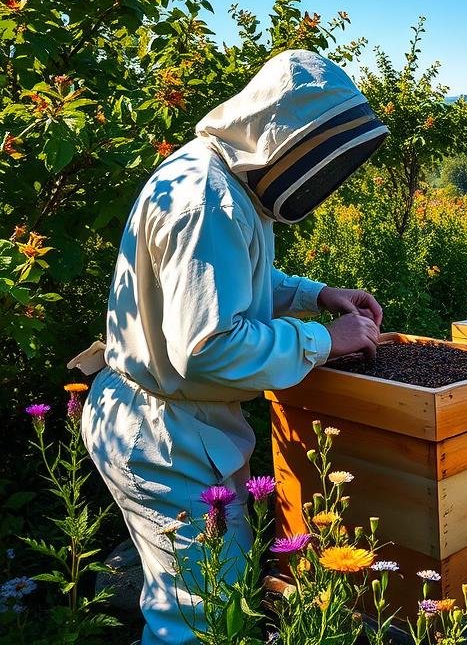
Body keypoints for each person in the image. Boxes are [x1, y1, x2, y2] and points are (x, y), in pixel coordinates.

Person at [81, 50, 388, 644]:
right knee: (197, 619)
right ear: (284, 137)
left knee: (213, 597)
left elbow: (229, 286)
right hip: (164, 433)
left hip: (172, 420)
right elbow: (209, 344)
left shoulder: (221, 179)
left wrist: (318, 295)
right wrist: (325, 340)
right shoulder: (207, 202)